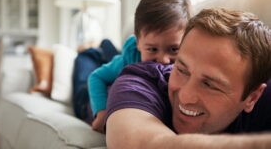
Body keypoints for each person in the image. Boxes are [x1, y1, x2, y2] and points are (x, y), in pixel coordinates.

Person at [106, 8, 271, 148]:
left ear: (252, 97)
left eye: (209, 84)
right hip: (92, 96)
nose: (184, 96)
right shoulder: (139, 80)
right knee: (91, 62)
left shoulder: (259, 87)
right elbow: (147, 144)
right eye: (182, 70)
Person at [88, 0, 192, 132]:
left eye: (174, 49)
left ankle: (103, 46)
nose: (163, 60)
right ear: (138, 42)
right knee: (88, 57)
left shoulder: (189, 62)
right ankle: (91, 49)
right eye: (152, 49)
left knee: (107, 48)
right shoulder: (129, 59)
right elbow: (96, 77)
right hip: (108, 70)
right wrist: (101, 112)